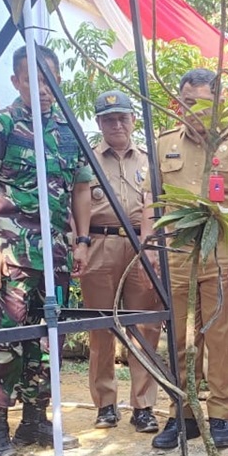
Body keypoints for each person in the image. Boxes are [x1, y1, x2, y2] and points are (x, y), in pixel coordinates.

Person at [0, 44, 93, 456]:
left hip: (55, 254)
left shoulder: (68, 130)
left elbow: (80, 189)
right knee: (3, 341)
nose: (41, 88)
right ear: (16, 81)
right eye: (32, 80)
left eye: (48, 80)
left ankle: (35, 419)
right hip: (10, 252)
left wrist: (82, 240)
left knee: (47, 341)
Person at [151, 68, 228, 451]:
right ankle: (182, 413)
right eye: (188, 103)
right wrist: (151, 248)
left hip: (223, 251)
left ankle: (220, 414)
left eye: (204, 104)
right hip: (178, 252)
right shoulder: (164, 143)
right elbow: (151, 201)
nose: (195, 112)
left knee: (221, 336)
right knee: (180, 338)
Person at [75, 89, 164, 434]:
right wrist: (79, 242)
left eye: (122, 118)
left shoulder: (149, 160)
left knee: (145, 326)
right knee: (101, 328)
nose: (116, 125)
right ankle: (105, 404)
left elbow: (156, 206)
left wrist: (151, 246)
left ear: (132, 120)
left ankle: (143, 406)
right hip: (99, 243)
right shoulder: (87, 160)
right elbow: (76, 204)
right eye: (109, 119)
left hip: (140, 246)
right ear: (99, 122)